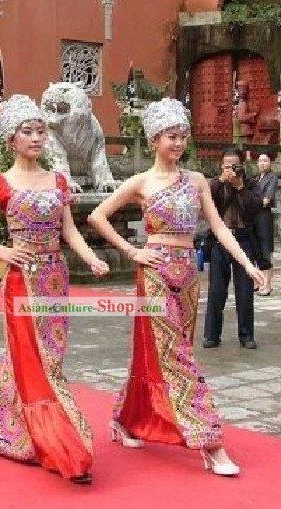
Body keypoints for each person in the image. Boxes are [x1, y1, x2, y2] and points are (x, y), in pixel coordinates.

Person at [88, 98, 264, 476]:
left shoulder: (197, 180)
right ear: (154, 139)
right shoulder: (141, 182)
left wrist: (250, 265)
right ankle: (210, 441)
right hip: (153, 273)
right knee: (179, 357)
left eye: (183, 136)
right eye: (171, 136)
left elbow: (217, 228)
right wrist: (132, 252)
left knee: (161, 352)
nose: (178, 143)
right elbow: (97, 215)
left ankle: (126, 419)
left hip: (188, 275)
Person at [0, 94, 109, 484]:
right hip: (20, 280)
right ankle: (60, 443)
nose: (37, 137)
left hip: (56, 277)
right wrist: (1, 249)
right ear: (11, 139)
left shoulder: (58, 180)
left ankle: (8, 425)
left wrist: (90, 258)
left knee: (52, 355)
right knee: (32, 357)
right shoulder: (1, 183)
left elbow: (69, 230)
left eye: (41, 130)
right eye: (28, 131)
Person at [204, 148, 263, 349]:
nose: (231, 169)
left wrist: (240, 187)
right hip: (220, 242)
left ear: (242, 166)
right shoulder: (215, 184)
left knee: (245, 291)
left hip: (244, 240)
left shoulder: (251, 183)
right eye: (227, 165)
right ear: (222, 165)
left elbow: (256, 207)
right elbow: (206, 202)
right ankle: (212, 335)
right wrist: (222, 180)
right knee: (216, 291)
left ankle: (246, 335)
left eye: (234, 165)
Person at [253, 153, 278, 296]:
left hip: (264, 216)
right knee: (256, 249)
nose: (262, 163)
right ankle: (260, 282)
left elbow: (266, 200)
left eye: (265, 160)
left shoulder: (272, 178)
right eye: (260, 160)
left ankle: (267, 285)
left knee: (265, 249)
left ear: (270, 162)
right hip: (255, 216)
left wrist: (252, 204)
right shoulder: (256, 178)